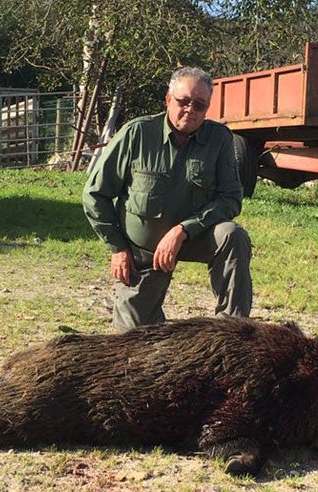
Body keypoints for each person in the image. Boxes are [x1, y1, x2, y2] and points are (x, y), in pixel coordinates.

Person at [83, 66, 252, 332]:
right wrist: (117, 248)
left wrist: (183, 230)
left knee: (233, 236)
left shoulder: (219, 139)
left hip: (195, 237)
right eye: (183, 101)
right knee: (133, 339)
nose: (190, 110)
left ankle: (234, 331)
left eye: (199, 104)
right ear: (168, 99)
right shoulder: (136, 134)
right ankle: (151, 314)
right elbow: (95, 194)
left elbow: (230, 199)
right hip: (142, 250)